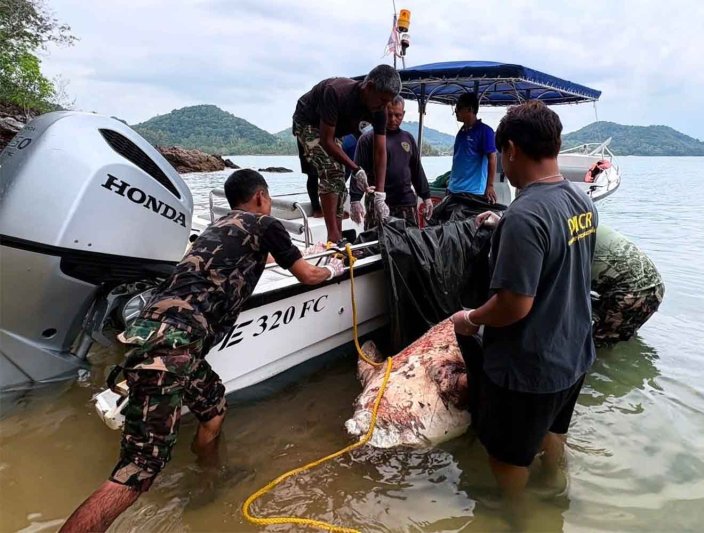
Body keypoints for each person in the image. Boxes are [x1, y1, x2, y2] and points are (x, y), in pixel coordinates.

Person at [62, 169, 345, 532]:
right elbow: (307, 276)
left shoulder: (218, 227)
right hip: (174, 346)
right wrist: (333, 268)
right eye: (269, 198)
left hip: (160, 336)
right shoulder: (265, 223)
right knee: (137, 472)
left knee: (214, 409)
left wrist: (309, 255)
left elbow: (249, 263)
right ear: (261, 197)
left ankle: (208, 480)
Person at [450, 101, 598, 503]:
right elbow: (559, 256)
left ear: (512, 149)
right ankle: (555, 490)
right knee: (553, 434)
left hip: (531, 367)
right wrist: (503, 223)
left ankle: (521, 519)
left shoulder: (526, 216)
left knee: (507, 460)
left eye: (503, 153)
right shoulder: (581, 201)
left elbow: (514, 305)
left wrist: (470, 319)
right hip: (575, 353)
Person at [293, 64, 402, 243]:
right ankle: (333, 237)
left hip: (336, 130)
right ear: (369, 87)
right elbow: (327, 141)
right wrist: (356, 169)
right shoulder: (336, 92)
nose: (384, 107)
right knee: (332, 171)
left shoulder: (380, 109)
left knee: (340, 177)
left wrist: (380, 194)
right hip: (308, 121)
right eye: (382, 100)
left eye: (387, 102)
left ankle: (338, 235)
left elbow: (380, 151)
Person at [349, 96, 433, 230]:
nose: (393, 119)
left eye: (398, 115)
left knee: (410, 243)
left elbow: (416, 170)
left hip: (406, 202)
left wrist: (426, 196)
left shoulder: (408, 138)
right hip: (377, 202)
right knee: (376, 243)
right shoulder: (367, 139)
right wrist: (355, 200)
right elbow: (358, 171)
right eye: (389, 114)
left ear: (403, 114)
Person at [592, 224, 665, 344]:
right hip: (655, 284)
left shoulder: (559, 235)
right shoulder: (585, 221)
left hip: (631, 294)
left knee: (592, 349)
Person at [448, 92, 497, 203]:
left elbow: (492, 158)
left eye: (459, 107)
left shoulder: (485, 131)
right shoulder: (461, 132)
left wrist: (490, 185)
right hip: (453, 190)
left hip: (473, 193)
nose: (455, 111)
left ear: (470, 109)